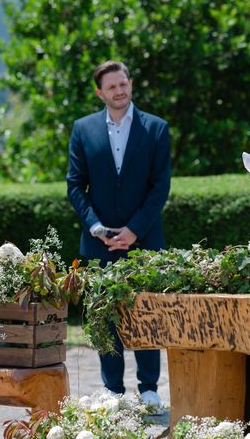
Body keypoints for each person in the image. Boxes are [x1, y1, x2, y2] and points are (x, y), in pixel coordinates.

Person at [67, 60, 171, 411]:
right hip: (97, 241)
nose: (119, 90)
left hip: (144, 240)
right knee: (103, 316)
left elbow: (160, 187)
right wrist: (95, 226)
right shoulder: (83, 129)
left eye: (123, 83)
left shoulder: (156, 128)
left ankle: (150, 388)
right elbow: (74, 185)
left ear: (130, 83)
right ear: (100, 92)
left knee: (146, 313)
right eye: (111, 87)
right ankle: (112, 390)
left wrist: (134, 230)